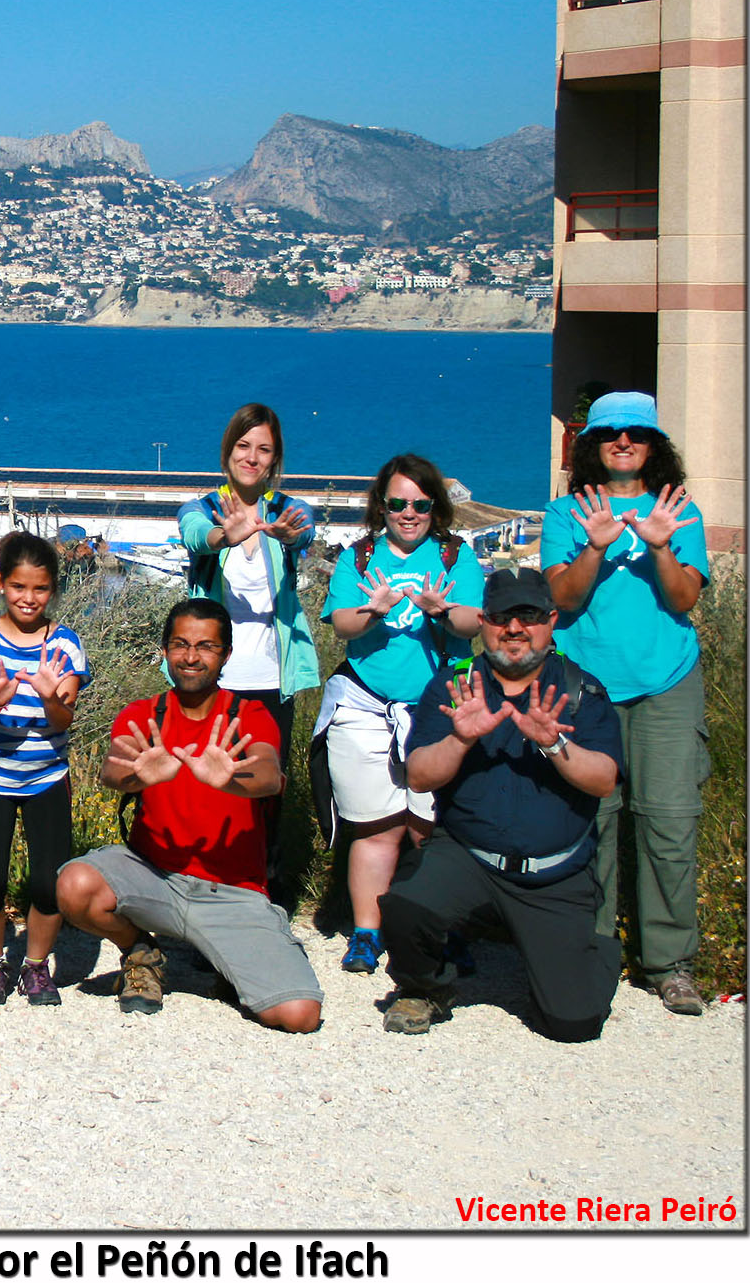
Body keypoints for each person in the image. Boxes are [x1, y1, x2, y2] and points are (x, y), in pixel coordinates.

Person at [381, 568, 625, 1040]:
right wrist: (460, 738)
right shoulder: (453, 685)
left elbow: (604, 781)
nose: (514, 629)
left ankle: (595, 952)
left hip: (554, 874)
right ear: (483, 622)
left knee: (572, 1023)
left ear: (550, 621)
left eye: (527, 616)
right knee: (407, 901)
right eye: (500, 618)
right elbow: (420, 775)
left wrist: (555, 746)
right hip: (469, 855)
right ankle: (424, 986)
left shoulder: (580, 692)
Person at [57, 599, 322, 1033]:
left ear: (226, 655)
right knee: (75, 884)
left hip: (231, 891)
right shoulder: (145, 715)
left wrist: (230, 780)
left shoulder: (248, 715)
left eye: (206, 646)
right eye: (180, 644)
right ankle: (142, 951)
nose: (192, 656)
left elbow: (269, 774)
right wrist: (136, 778)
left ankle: (230, 959)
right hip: (155, 876)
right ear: (164, 650)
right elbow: (112, 771)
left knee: (297, 1016)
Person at [541, 391, 712, 1016]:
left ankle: (670, 963)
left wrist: (662, 545)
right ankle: (593, 950)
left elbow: (684, 600)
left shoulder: (679, 510)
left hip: (666, 681)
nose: (622, 442)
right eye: (610, 432)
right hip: (586, 687)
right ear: (592, 442)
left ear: (653, 444)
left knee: (669, 821)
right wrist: (594, 545)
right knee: (593, 821)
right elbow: (563, 599)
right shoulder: (565, 513)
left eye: (636, 433)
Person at [314, 453, 482, 974]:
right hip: (366, 703)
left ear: (436, 507)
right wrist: (374, 611)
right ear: (381, 507)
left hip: (439, 705)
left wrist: (442, 612)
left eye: (420, 504)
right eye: (397, 504)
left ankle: (440, 927)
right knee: (375, 827)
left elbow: (473, 623)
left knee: (430, 827)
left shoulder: (457, 557)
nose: (409, 513)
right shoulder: (359, 559)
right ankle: (367, 933)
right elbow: (341, 624)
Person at [0, 532, 87, 1007]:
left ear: (52, 589)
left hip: (47, 777)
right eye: (17, 587)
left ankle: (35, 967)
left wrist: (53, 699)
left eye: (39, 589)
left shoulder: (66, 645)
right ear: (0, 584)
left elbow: (64, 718)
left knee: (48, 881)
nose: (28, 599)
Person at [176, 403, 319, 758]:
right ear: (227, 452)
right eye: (243, 446)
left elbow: (305, 530)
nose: (252, 458)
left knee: (267, 792)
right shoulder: (203, 509)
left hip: (272, 680)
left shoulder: (287, 510)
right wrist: (224, 537)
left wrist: (290, 536)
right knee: (208, 791)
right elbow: (194, 534)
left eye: (264, 449)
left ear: (275, 459)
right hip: (210, 679)